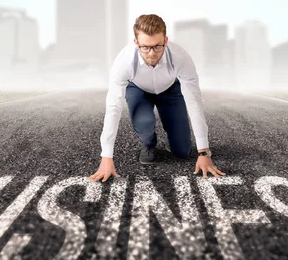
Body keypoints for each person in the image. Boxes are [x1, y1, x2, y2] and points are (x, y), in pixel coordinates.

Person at [88, 14, 226, 183]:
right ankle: (148, 142)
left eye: (157, 46)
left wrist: (204, 152)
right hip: (138, 89)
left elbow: (194, 102)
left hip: (170, 90)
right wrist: (106, 157)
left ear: (166, 41)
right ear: (136, 43)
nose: (152, 53)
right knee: (145, 124)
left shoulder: (181, 58)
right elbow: (113, 108)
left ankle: (173, 139)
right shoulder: (123, 62)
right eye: (145, 47)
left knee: (182, 151)